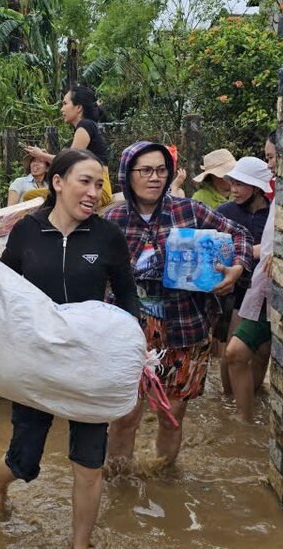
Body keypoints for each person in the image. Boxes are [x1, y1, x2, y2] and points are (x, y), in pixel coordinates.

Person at [0, 149, 139, 549]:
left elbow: (127, 297)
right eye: (84, 181)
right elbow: (1, 284)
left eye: (99, 184)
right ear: (58, 182)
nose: (94, 192)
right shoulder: (28, 231)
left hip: (89, 362)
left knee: (89, 463)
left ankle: (79, 544)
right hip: (35, 360)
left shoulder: (108, 236)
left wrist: (134, 349)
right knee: (24, 458)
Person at [105, 141, 253, 469]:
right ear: (127, 175)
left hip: (186, 327)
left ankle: (162, 477)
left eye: (162, 170)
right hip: (128, 332)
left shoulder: (189, 211)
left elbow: (239, 234)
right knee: (125, 416)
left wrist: (237, 267)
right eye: (145, 170)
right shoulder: (112, 220)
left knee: (172, 415)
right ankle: (119, 482)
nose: (155, 177)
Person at [214, 157, 273, 421]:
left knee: (262, 352)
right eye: (233, 183)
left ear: (257, 188)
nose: (234, 189)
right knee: (230, 349)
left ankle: (251, 398)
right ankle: (229, 401)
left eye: (241, 184)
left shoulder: (273, 215)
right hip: (233, 290)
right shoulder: (225, 212)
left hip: (261, 290)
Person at [24, 86, 114, 206]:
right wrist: (45, 156)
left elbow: (69, 162)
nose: (62, 109)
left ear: (78, 107)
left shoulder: (85, 126)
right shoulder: (86, 126)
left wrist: (41, 156)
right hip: (89, 186)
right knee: (33, 196)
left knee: (30, 196)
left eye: (65, 104)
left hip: (97, 189)